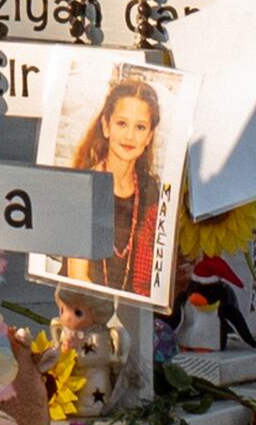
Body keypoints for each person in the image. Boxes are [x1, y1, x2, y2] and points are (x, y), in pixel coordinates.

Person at [58, 67, 178, 300]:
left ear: (149, 136)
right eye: (122, 123)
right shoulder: (85, 185)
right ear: (106, 125)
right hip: (87, 310)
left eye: (140, 127)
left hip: (138, 315)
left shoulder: (152, 192)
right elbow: (77, 275)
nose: (130, 136)